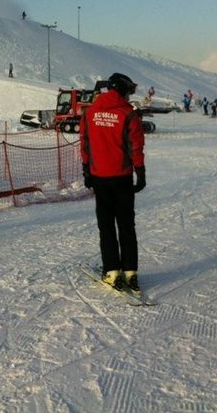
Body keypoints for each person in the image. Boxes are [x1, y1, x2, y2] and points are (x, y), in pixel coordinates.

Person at [80, 72, 146, 291]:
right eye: (128, 91)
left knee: (106, 227)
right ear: (122, 90)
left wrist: (86, 170)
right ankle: (130, 273)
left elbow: (85, 143)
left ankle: (111, 272)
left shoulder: (90, 113)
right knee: (127, 226)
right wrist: (140, 172)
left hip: (100, 178)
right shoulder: (129, 114)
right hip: (123, 178)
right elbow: (135, 146)